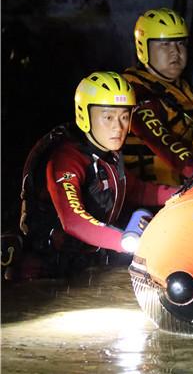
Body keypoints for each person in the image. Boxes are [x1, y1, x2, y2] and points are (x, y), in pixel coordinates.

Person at [10, 72, 176, 279]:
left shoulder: (108, 154)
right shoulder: (65, 158)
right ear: (84, 115)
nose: (118, 126)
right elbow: (73, 221)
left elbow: (138, 190)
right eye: (108, 117)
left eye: (124, 117)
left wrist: (186, 193)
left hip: (87, 265)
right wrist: (129, 243)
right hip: (45, 272)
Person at [122, 8, 193, 186]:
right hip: (156, 199)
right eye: (165, 44)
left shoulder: (185, 91)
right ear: (143, 48)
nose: (175, 52)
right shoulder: (135, 94)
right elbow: (161, 141)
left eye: (181, 43)